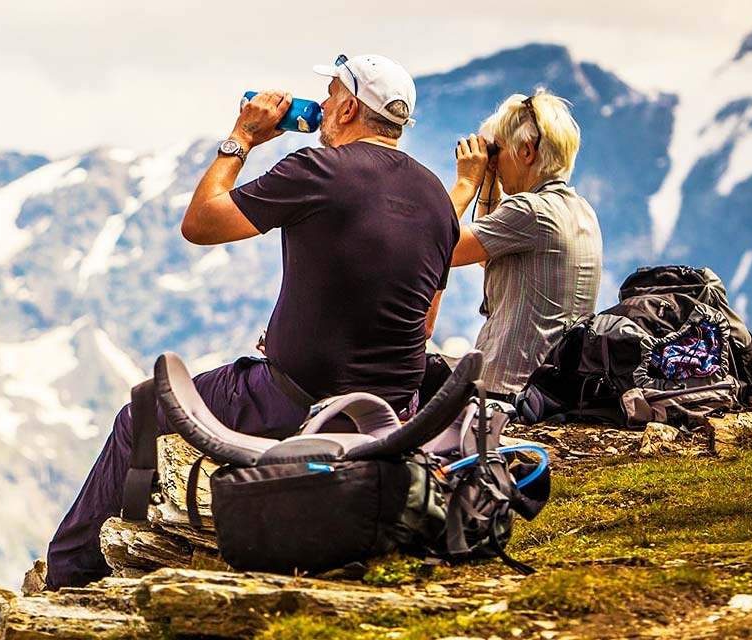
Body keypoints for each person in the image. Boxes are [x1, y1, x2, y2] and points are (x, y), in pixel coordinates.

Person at [44, 54, 459, 589]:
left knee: (140, 413)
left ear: (351, 107)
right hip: (392, 412)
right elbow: (422, 326)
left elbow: (200, 223)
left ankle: (74, 580)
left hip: (297, 398)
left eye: (331, 96)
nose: (323, 107)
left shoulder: (318, 169)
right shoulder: (436, 198)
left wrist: (242, 136)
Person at [447, 90, 601, 400]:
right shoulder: (581, 209)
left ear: (527, 151)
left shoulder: (530, 211)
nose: (496, 160)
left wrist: (466, 183)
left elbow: (435, 249)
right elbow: (485, 255)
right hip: (548, 389)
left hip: (506, 389)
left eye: (499, 150)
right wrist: (490, 181)